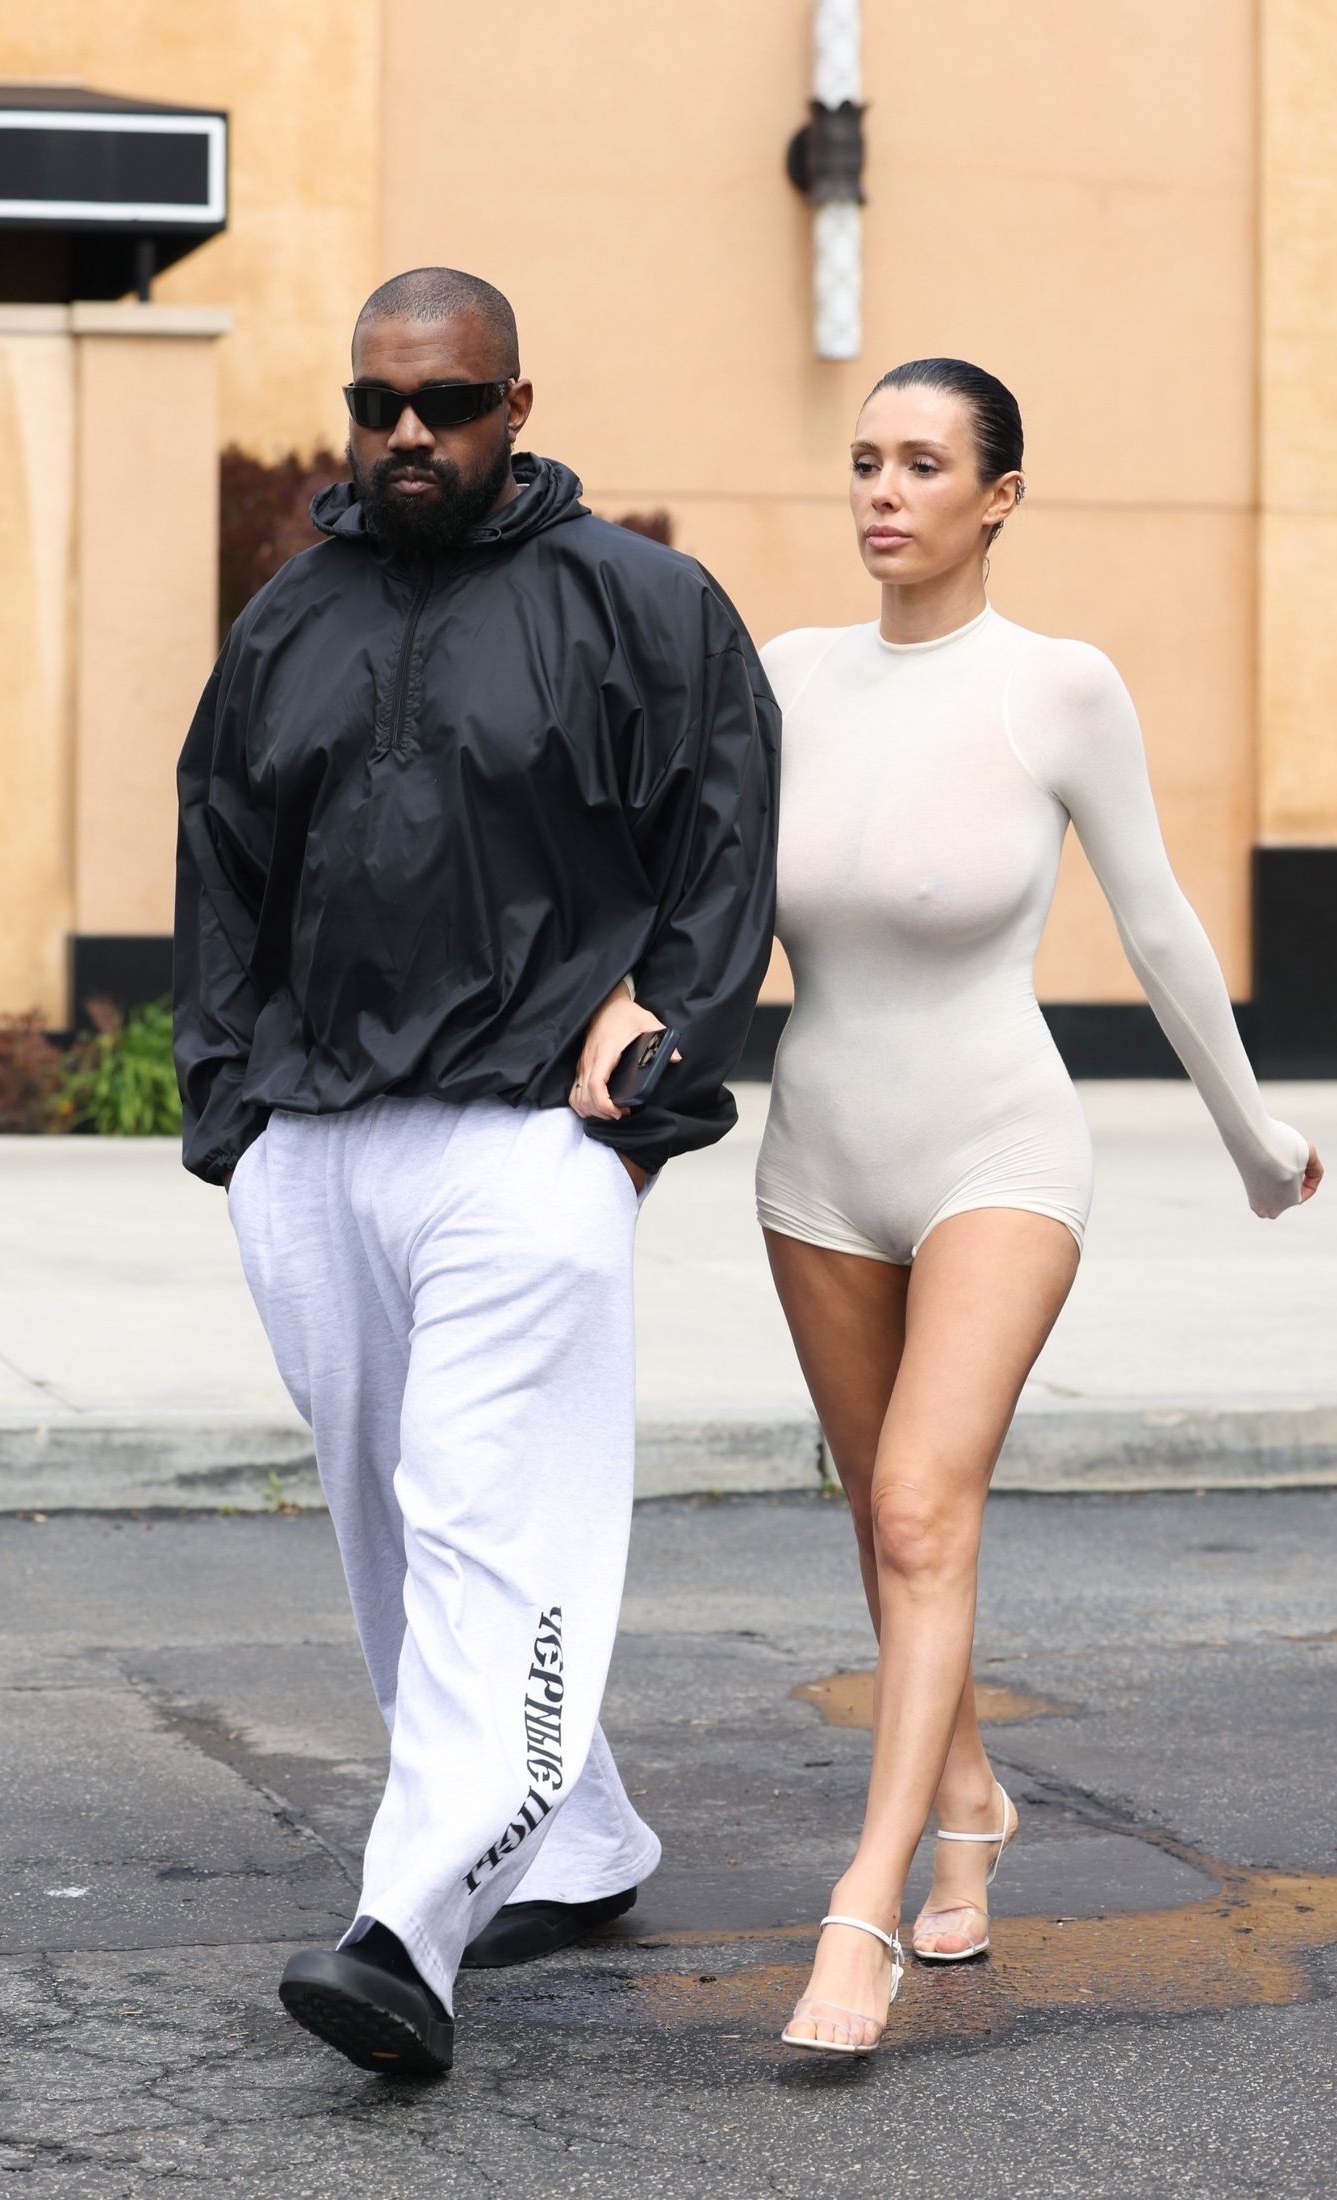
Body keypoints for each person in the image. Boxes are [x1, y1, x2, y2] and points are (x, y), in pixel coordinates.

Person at [173, 267, 778, 2079]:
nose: (409, 434)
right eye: (379, 405)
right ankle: (574, 1837)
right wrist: (232, 1111)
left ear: (517, 403)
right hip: (315, 1138)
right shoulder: (290, 617)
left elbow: (726, 841)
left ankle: (410, 1932)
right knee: (391, 1522)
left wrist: (660, 1055)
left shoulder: (643, 605)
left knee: (481, 1511)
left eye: (447, 402)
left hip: (529, 1135)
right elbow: (221, 862)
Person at [755, 357, 1322, 2056]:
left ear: (999, 495)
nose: (885, 491)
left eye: (924, 464)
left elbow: (1158, 928)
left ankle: (860, 1909)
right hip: (817, 1164)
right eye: (867, 460)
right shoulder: (787, 676)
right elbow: (693, 901)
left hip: (998, 1153)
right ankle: (971, 1804)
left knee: (922, 1509)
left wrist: (1250, 1134)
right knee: (886, 1522)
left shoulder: (1058, 688)